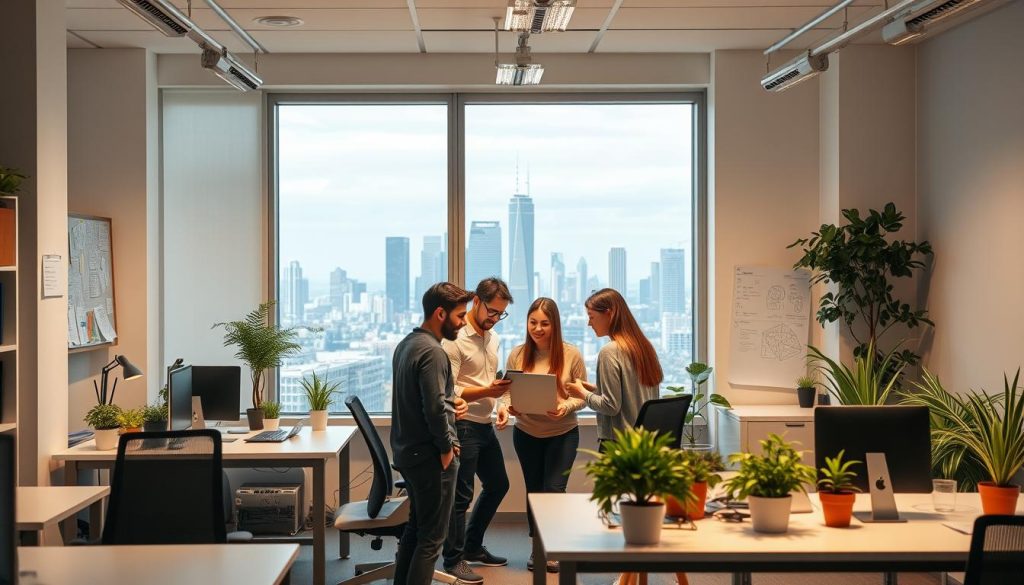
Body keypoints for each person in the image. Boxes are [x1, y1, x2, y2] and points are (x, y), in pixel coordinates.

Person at [391, 282, 473, 585]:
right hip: (430, 457)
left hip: (408, 453)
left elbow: (424, 399)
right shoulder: (434, 352)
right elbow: (433, 410)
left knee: (416, 530)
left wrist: (452, 404)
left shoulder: (407, 344)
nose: (464, 323)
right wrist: (446, 448)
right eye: (460, 316)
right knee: (431, 540)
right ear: (440, 313)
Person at [500, 297, 586, 574]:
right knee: (535, 491)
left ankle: (554, 548)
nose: (538, 328)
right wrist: (507, 406)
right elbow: (505, 390)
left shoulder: (571, 354)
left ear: (555, 325)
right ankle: (538, 547)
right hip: (526, 432)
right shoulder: (517, 354)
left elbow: (582, 396)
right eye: (533, 322)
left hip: (563, 432)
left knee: (554, 490)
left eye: (545, 324)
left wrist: (566, 406)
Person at [440, 278, 515, 584]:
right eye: (493, 312)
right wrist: (487, 390)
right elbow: (450, 389)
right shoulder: (454, 340)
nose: (495, 319)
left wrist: (500, 404)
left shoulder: (493, 338)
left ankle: (471, 545)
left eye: (501, 314)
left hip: (485, 424)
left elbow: (491, 380)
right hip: (463, 424)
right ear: (476, 302)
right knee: (461, 496)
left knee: (498, 484)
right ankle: (453, 559)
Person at [566, 288, 663, 450]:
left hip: (620, 446)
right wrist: (596, 389)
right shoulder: (644, 348)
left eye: (591, 317)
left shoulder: (609, 351)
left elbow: (610, 407)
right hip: (645, 446)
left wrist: (581, 393)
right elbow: (632, 394)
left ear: (609, 313)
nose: (589, 324)